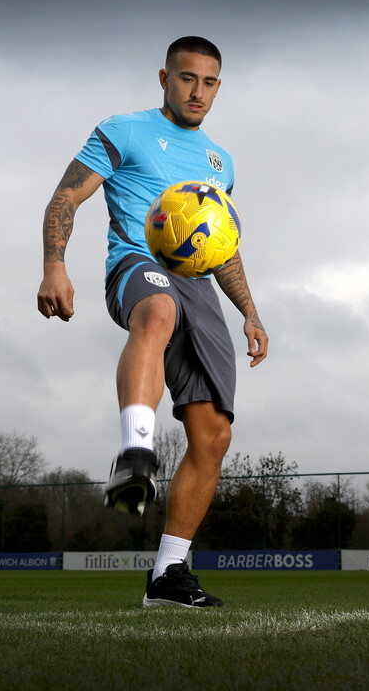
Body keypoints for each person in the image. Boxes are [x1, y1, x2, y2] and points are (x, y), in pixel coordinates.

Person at [37, 36, 268, 608]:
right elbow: (65, 198)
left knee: (214, 436)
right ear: (164, 77)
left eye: (209, 82)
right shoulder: (124, 130)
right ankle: (136, 452)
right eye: (187, 78)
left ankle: (167, 575)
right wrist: (54, 265)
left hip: (201, 287)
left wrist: (251, 311)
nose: (198, 91)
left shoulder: (222, 162)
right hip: (138, 264)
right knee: (159, 310)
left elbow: (221, 246)